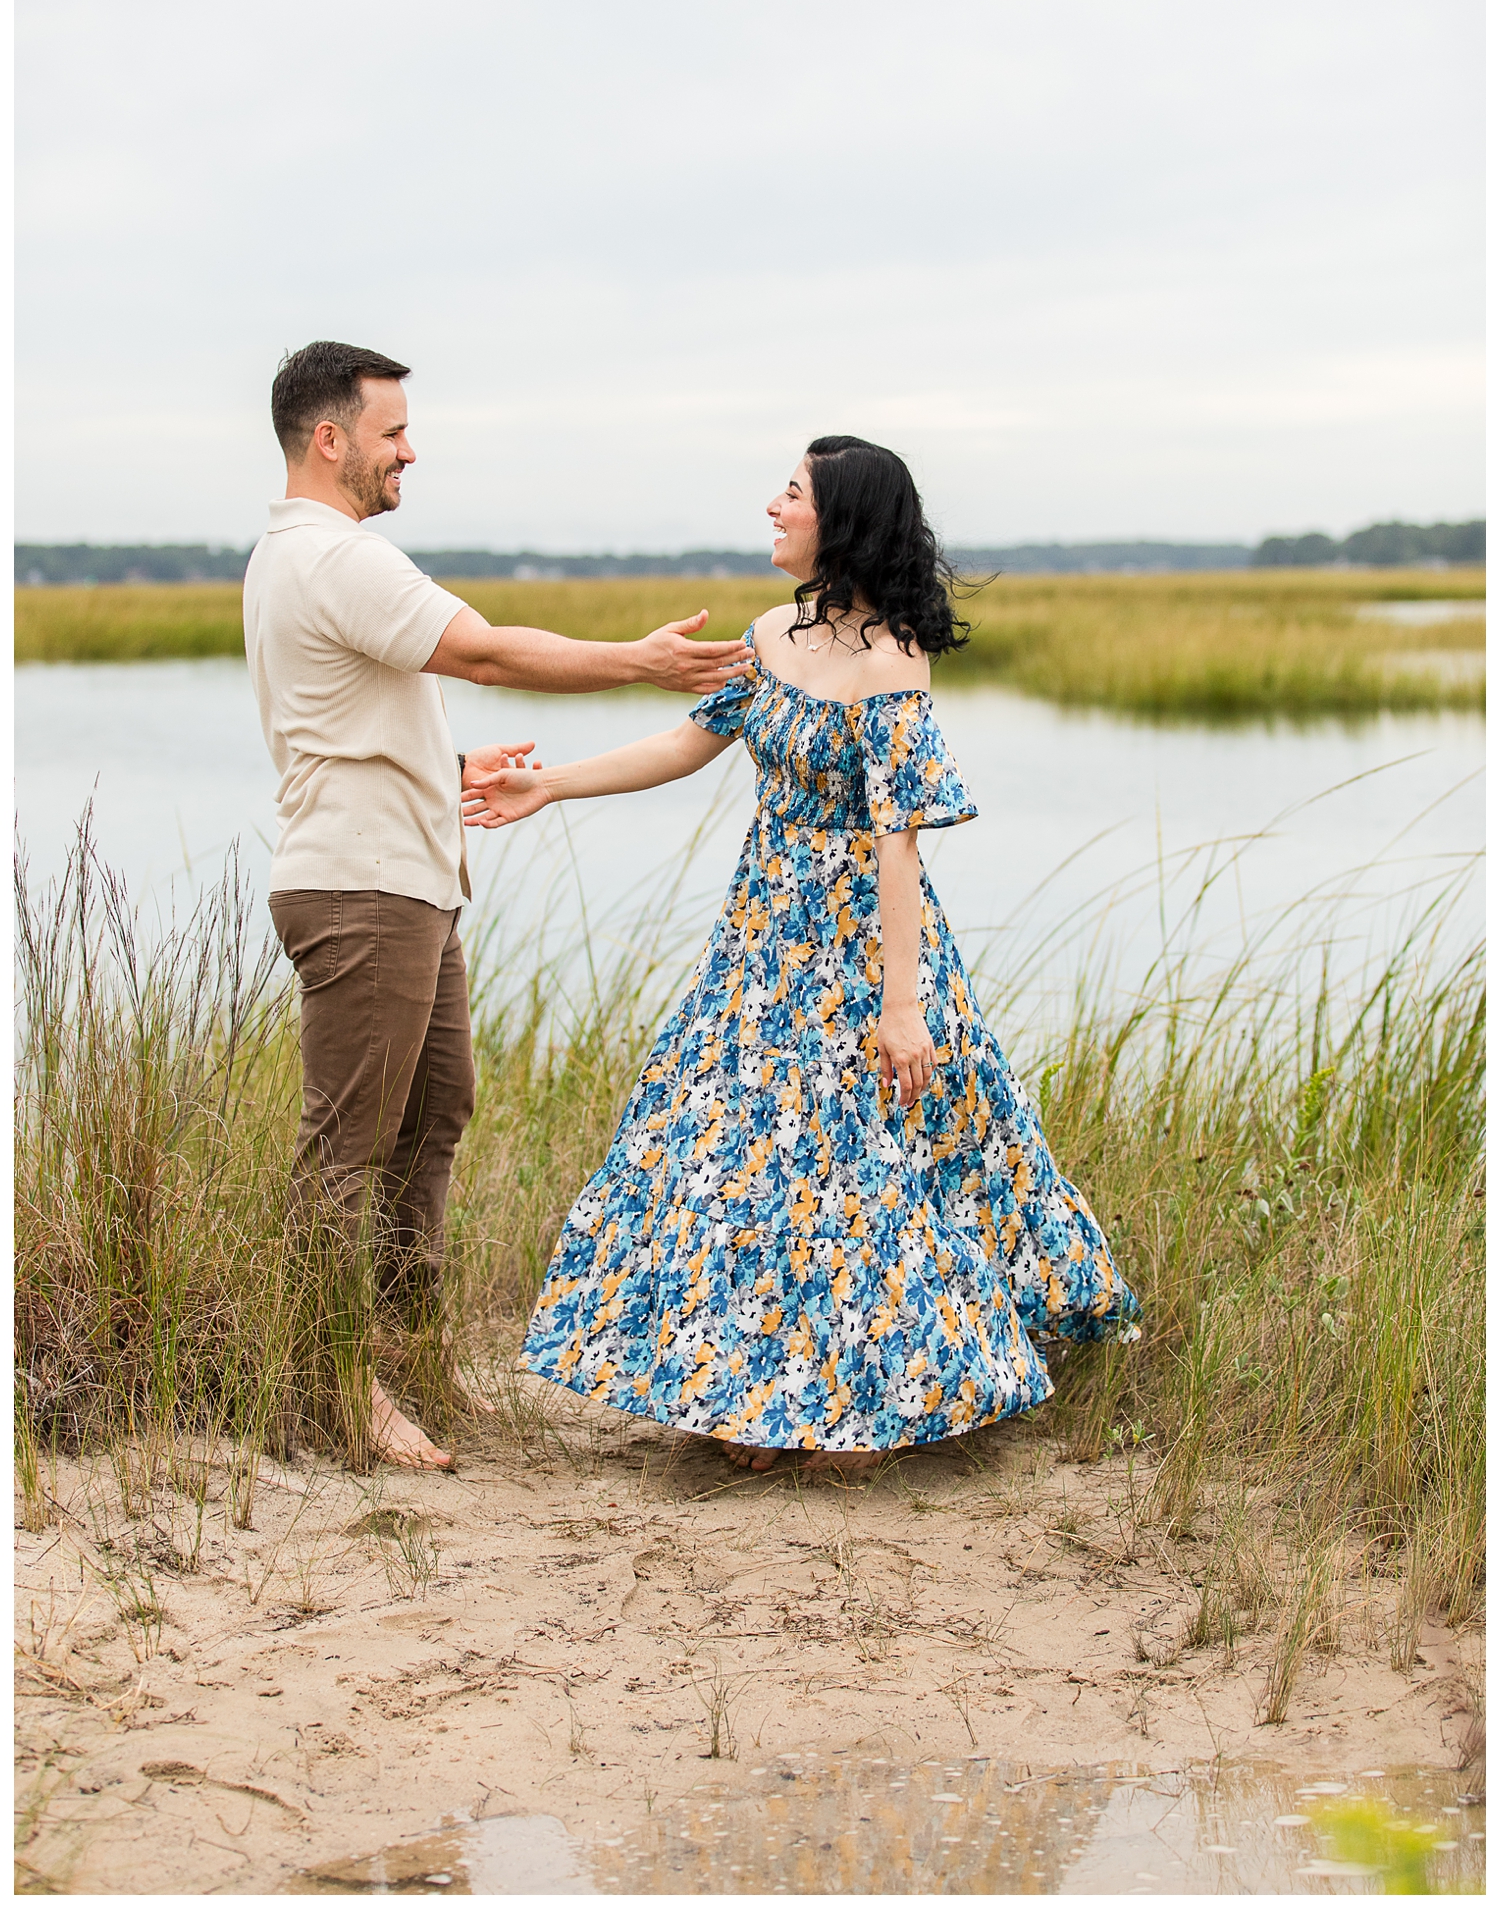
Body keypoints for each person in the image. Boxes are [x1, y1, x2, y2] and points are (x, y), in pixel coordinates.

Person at [466, 434, 1141, 1477]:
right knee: (741, 1163)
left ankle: (878, 1402)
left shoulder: (892, 658)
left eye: (793, 493)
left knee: (868, 1169)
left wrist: (903, 1005)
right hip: (761, 943)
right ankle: (747, 1394)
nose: (773, 507)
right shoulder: (769, 633)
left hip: (866, 946)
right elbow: (688, 743)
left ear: (843, 520)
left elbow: (900, 837)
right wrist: (549, 784)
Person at [243, 339, 754, 1471]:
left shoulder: (303, 560)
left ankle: (406, 1361)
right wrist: (639, 658)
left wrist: (446, 767)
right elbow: (482, 650)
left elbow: (344, 721)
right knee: (348, 1148)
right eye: (392, 432)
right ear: (330, 440)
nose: (408, 450)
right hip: (364, 888)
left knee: (433, 1117)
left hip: (401, 875)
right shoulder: (336, 558)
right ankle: (332, 1390)